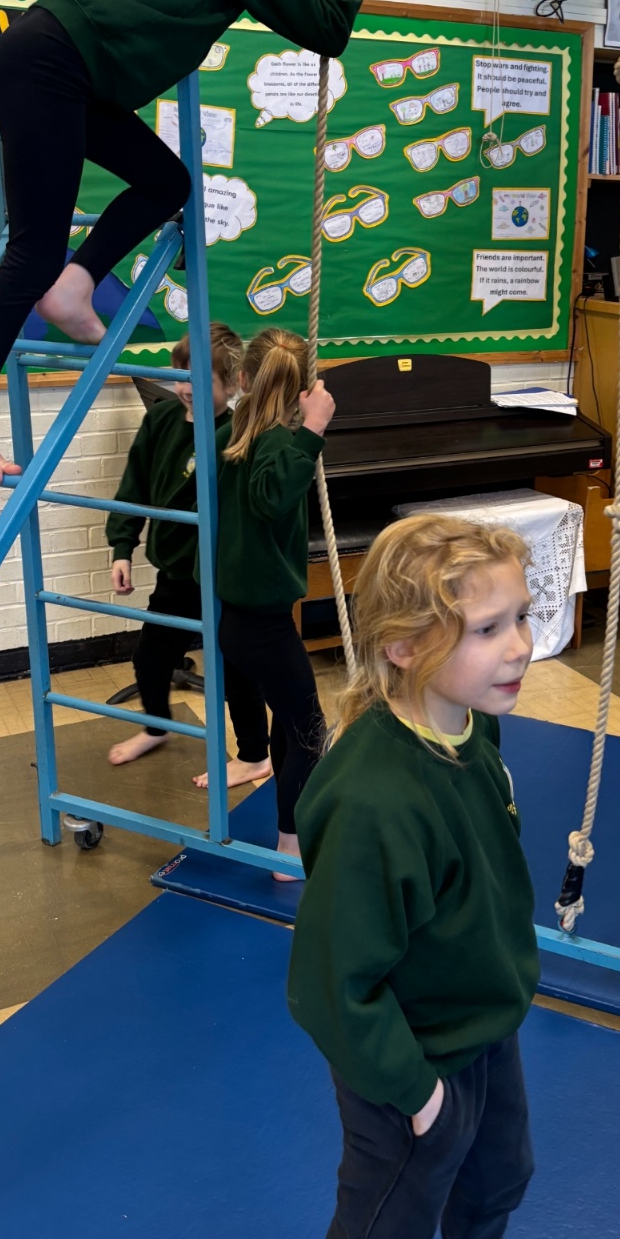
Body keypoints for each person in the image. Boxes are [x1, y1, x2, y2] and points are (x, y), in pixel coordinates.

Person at [0, 0, 363, 487]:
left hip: (62, 67)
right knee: (32, 250)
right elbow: (329, 29)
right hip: (54, 66)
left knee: (167, 181)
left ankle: (74, 285)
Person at [288, 514, 538, 1239]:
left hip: (481, 1018)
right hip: (411, 1054)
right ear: (402, 646)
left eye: (522, 617)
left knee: (500, 1168)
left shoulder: (472, 726)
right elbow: (330, 985)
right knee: (384, 1234)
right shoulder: (374, 803)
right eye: (487, 628)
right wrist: (419, 1095)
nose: (520, 646)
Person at [105, 322, 271, 781]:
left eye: (201, 379)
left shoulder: (237, 432)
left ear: (233, 384)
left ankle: (255, 755)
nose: (187, 387)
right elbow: (134, 484)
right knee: (150, 658)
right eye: (181, 375)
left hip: (221, 574)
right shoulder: (160, 419)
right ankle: (156, 727)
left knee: (235, 668)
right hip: (176, 574)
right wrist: (123, 546)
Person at [211, 327, 335, 867]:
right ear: (303, 389)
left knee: (290, 719)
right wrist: (313, 428)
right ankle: (291, 845)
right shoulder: (280, 442)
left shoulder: (232, 433)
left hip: (239, 617)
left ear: (241, 378)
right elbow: (270, 497)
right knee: (310, 732)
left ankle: (290, 826)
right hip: (262, 623)